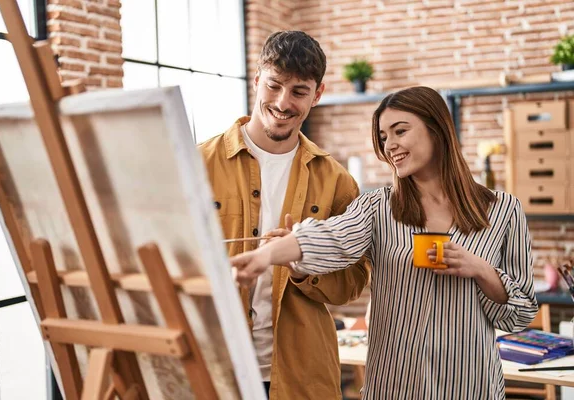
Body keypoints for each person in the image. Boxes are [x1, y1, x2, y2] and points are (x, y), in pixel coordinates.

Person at [231, 86, 538, 399]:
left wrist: (480, 269)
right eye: (382, 137)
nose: (390, 146)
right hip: (395, 385)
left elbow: (520, 314)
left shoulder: (504, 211)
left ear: (437, 130)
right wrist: (266, 255)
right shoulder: (378, 208)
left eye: (400, 131)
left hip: (471, 386)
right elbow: (329, 238)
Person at [198, 30, 370, 399]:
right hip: (214, 370)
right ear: (258, 80)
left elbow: (353, 280)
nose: (282, 102)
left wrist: (303, 265)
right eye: (274, 85)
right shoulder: (196, 164)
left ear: (317, 94)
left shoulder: (337, 182)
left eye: (298, 91)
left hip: (302, 377)